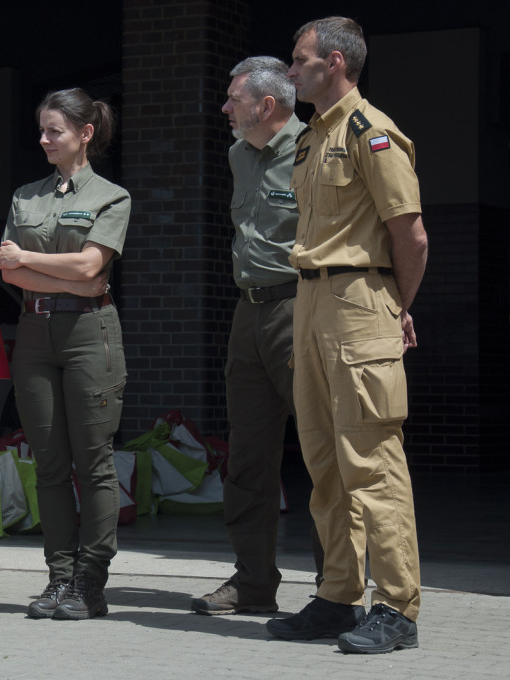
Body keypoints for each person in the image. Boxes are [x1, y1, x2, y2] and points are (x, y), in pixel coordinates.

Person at [265, 17, 428, 654]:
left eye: (299, 60)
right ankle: (337, 595)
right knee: (323, 462)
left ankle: (396, 606)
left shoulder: (373, 132)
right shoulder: (310, 139)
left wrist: (393, 305)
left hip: (360, 299)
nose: (291, 70)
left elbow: (409, 233)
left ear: (333, 63)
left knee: (373, 463)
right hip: (310, 300)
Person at [192, 56, 324, 616]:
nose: (224, 108)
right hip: (248, 314)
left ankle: (333, 587)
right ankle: (252, 582)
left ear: (266, 105)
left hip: (302, 308)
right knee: (247, 456)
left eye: (233, 99)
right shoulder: (236, 154)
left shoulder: (315, 149)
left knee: (322, 454)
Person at [0, 88, 130, 620]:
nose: (44, 139)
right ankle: (59, 577)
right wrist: (69, 273)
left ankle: (91, 581)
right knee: (49, 462)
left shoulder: (111, 196)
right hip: (35, 332)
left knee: (94, 461)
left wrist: (33, 259)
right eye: (43, 130)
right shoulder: (26, 195)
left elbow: (91, 269)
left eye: (55, 130)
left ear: (85, 134)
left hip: (89, 333)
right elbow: (7, 272)